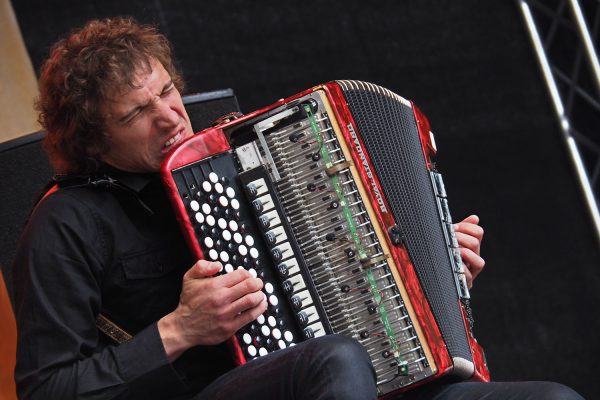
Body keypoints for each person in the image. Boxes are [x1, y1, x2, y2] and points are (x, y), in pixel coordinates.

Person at [12, 17, 582, 400]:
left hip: (352, 378)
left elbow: (334, 279)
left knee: (553, 398)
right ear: (90, 139)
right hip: (215, 390)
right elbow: (48, 388)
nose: (169, 116)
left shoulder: (228, 158)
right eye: (137, 112)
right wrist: (178, 329)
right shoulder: (66, 223)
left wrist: (430, 270)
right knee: (335, 361)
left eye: (167, 92)